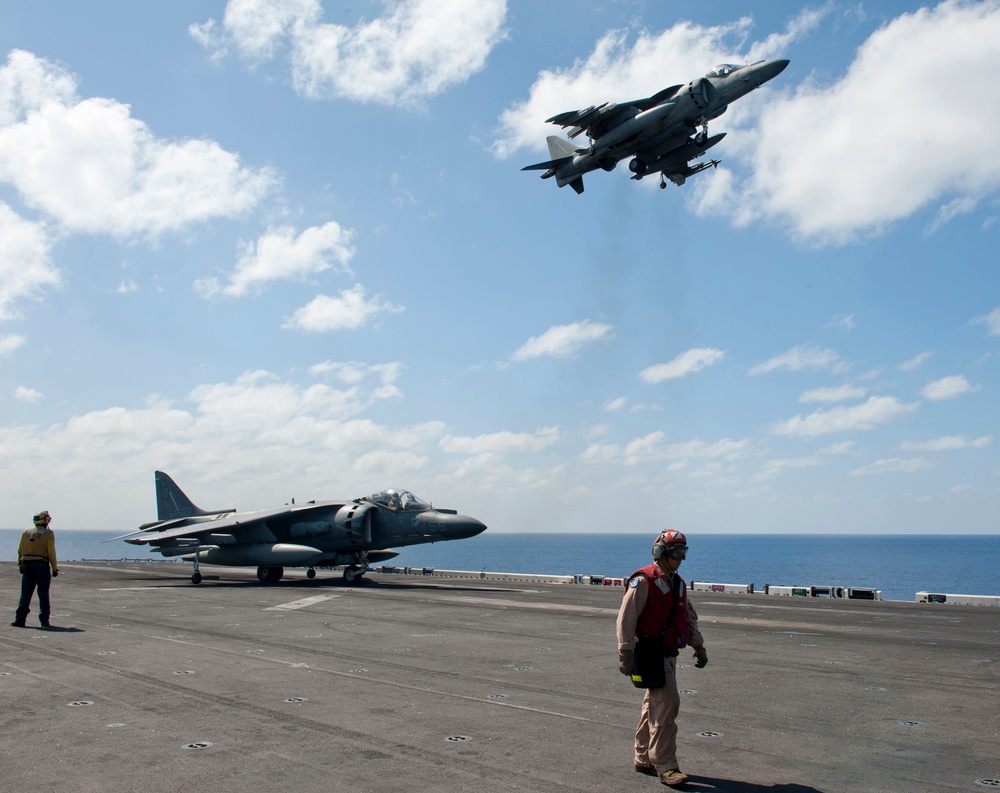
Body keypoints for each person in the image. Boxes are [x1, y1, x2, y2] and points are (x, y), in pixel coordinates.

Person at [616, 529, 708, 787]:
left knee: (653, 706)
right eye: (677, 553)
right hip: (650, 654)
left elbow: (687, 617)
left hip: (669, 655)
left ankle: (643, 756)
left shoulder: (677, 583)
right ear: (662, 553)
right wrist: (625, 652)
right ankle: (666, 765)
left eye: (683, 553)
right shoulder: (643, 581)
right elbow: (626, 618)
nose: (681, 558)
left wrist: (698, 647)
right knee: (667, 707)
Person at [13, 510, 59, 628]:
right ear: (44, 520)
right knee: (43, 593)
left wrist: (20, 564)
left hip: (27, 565)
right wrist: (54, 567)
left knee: (25, 594)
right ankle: (44, 620)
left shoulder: (26, 532)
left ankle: (20, 620)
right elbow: (51, 552)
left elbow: (20, 550)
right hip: (41, 565)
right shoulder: (48, 533)